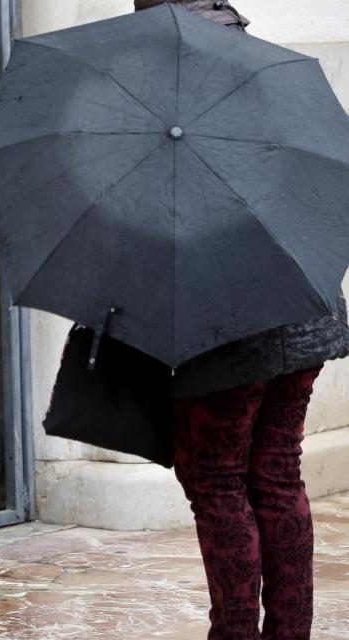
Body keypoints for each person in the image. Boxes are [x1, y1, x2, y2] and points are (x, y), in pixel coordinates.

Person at [130, 2, 349, 639]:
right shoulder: (276, 74)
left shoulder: (165, 98)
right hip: (304, 302)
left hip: (226, 318)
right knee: (277, 472)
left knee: (219, 481)